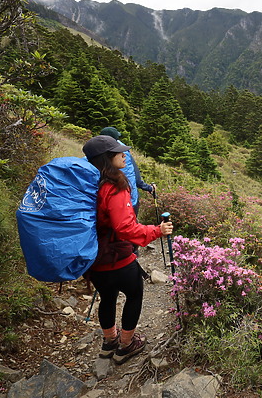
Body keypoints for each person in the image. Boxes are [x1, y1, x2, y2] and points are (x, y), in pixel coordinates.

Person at [83, 135, 173, 365]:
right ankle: (126, 344)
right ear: (106, 158)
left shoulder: (88, 182)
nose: (124, 154)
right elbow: (125, 228)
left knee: (107, 298)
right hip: (117, 255)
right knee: (134, 294)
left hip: (94, 256)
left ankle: (109, 341)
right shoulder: (113, 186)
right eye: (118, 152)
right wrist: (157, 231)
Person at [99, 126, 154, 217]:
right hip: (130, 201)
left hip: (107, 202)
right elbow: (136, 178)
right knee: (129, 227)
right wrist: (148, 188)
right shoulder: (123, 151)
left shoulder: (96, 153)